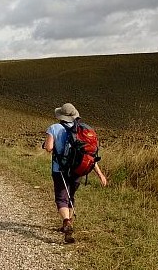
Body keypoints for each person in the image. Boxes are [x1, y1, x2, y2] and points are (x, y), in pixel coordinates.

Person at [43, 103, 107, 243]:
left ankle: (66, 222)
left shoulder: (54, 128)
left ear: (61, 116)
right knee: (71, 196)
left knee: (61, 197)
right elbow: (88, 155)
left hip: (59, 170)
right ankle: (69, 222)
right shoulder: (81, 131)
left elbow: (48, 148)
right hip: (77, 169)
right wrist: (100, 174)